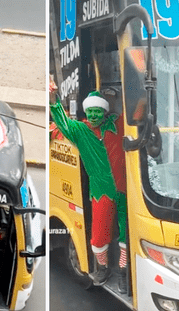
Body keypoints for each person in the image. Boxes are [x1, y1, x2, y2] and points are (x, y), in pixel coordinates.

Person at [50, 80, 128, 291]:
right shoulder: (80, 131)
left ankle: (123, 271)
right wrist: (54, 98)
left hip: (125, 189)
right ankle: (103, 268)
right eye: (90, 112)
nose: (93, 116)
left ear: (104, 112)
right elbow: (62, 122)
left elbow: (136, 115)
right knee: (99, 235)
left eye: (97, 111)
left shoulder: (117, 124)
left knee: (126, 233)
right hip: (100, 190)